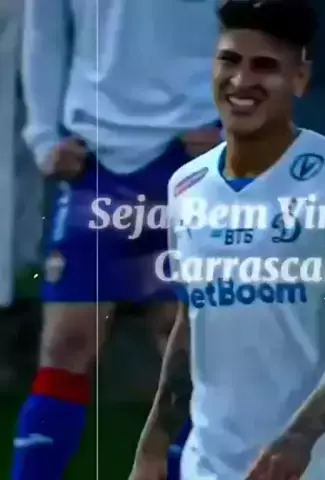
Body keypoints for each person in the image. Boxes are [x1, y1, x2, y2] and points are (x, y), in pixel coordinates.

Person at [131, 0, 325, 478]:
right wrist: (153, 445)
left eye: (265, 66)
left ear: (300, 78)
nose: (241, 80)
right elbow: (193, 322)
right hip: (212, 466)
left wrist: (298, 440)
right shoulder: (186, 186)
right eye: (229, 61)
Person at [11, 0, 221, 478]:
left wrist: (244, 125)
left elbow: (263, 20)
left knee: (188, 354)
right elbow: (43, 29)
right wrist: (43, 137)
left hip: (195, 151)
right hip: (96, 158)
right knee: (66, 345)